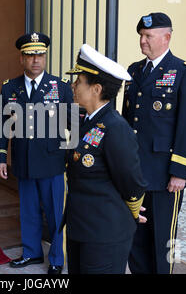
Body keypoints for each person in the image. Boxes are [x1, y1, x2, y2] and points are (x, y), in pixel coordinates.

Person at [122, 12, 186, 274]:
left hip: (164, 174)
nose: (143, 41)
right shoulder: (134, 70)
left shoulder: (184, 71)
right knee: (136, 236)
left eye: (148, 36)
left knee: (164, 240)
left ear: (166, 37)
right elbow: (127, 120)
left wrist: (180, 172)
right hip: (135, 171)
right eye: (141, 36)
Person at [60, 44, 147, 274]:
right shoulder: (87, 120)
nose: (73, 86)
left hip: (104, 233)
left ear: (96, 89)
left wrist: (134, 209)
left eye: (78, 82)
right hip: (82, 228)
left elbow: (131, 181)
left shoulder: (115, 128)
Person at [0, 32, 74, 274]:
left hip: (52, 161)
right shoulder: (10, 87)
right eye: (30, 55)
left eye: (40, 54)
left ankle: (57, 259)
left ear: (45, 57)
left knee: (54, 213)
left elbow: (74, 124)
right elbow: (1, 124)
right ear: (22, 59)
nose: (36, 60)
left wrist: (76, 157)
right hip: (24, 160)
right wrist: (0, 157)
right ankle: (31, 253)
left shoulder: (59, 87)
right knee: (28, 210)